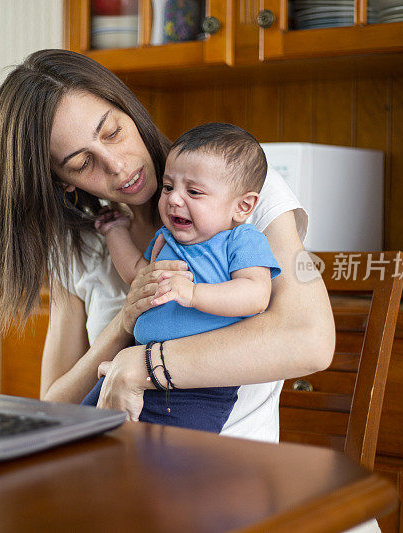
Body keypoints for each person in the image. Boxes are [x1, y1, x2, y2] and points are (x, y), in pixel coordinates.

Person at [0, 49, 335, 443]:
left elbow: (311, 340)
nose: (117, 166)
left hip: (232, 472)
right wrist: (122, 327)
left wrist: (142, 365)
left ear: (129, 110)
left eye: (113, 132)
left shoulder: (236, 192)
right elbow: (53, 405)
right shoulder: (80, 244)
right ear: (61, 180)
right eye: (82, 163)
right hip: (120, 473)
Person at [81, 123, 281, 433]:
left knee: (168, 458)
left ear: (242, 206)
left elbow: (256, 294)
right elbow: (137, 273)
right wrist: (114, 231)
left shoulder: (241, 239)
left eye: (194, 192)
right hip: (136, 370)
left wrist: (193, 294)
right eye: (168, 187)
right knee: (82, 428)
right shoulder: (168, 240)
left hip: (198, 385)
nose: (174, 199)